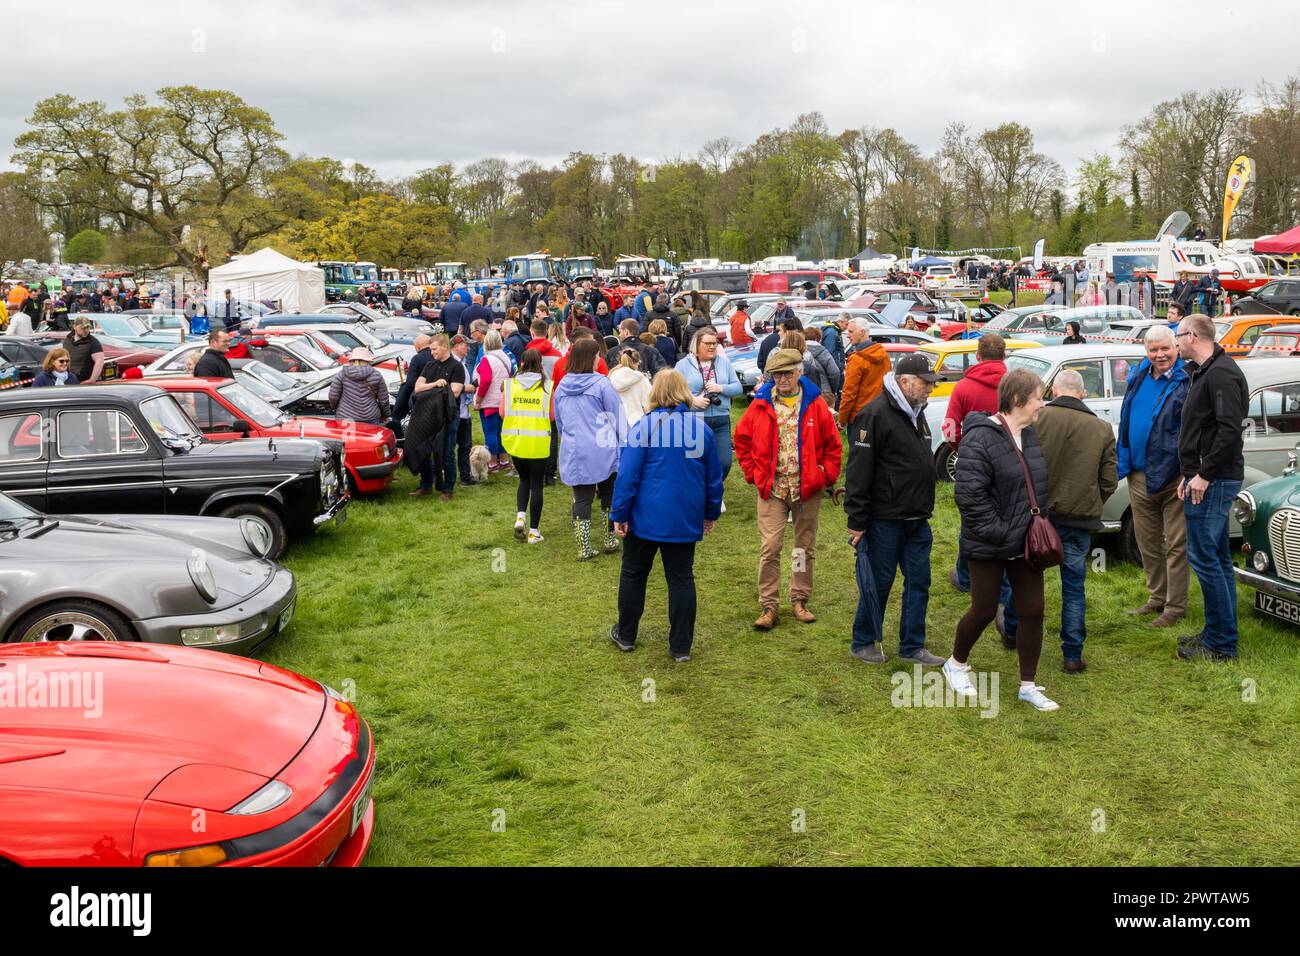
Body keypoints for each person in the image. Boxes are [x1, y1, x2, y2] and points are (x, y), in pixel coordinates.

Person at [944, 369, 1060, 712]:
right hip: (988, 542)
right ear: (1017, 400)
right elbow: (969, 496)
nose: (1043, 404)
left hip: (1026, 542)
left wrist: (1038, 523)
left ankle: (1028, 684)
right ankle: (957, 663)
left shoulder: (1031, 434)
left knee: (1033, 609)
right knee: (982, 608)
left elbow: (1036, 485)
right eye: (1039, 397)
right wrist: (1002, 532)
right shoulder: (981, 437)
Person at [609, 369, 724, 662]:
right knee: (681, 578)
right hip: (683, 517)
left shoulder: (644, 427)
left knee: (634, 574)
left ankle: (626, 633)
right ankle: (681, 646)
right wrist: (711, 512)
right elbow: (714, 479)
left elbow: (628, 477)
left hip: (645, 517)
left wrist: (619, 513)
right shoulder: (701, 430)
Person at [844, 353, 945, 665]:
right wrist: (857, 521)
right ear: (904, 382)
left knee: (919, 582)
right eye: (925, 383)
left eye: (931, 383)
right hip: (885, 519)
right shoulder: (874, 414)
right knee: (879, 582)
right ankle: (863, 641)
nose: (930, 388)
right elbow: (858, 472)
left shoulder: (917, 412)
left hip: (917, 517)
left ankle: (912, 646)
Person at [734, 348, 842, 629]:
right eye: (777, 374)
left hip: (807, 489)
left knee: (802, 548)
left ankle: (799, 599)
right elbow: (742, 438)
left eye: (787, 373)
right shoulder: (760, 404)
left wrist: (824, 475)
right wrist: (752, 472)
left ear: (799, 373)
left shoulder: (815, 404)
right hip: (773, 488)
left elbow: (833, 445)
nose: (782, 379)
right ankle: (769, 606)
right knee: (770, 548)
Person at [1032, 369, 1118, 672]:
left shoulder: (1036, 418)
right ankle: (1072, 654)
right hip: (1080, 518)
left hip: (1038, 517)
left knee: (1027, 580)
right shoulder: (1102, 428)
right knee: (1073, 587)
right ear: (1083, 394)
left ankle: (1015, 631)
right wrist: (1092, 501)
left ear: (1055, 391)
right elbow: (1109, 480)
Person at [1174, 313, 1248, 661]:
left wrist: (1203, 474)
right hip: (1203, 476)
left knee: (1204, 558)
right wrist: (1188, 473)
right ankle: (1217, 634)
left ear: (1193, 336)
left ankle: (1221, 645)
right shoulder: (1206, 371)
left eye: (1178, 336)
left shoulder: (1222, 374)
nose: (1176, 343)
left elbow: (1230, 431)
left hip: (1214, 480)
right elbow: (1202, 430)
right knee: (1216, 559)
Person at [1117, 326, 1190, 628]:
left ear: (1176, 346)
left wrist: (1188, 471)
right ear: (1146, 351)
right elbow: (1127, 418)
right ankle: (1155, 598)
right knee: (1147, 542)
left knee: (1175, 544)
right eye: (1153, 350)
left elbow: (1191, 430)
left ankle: (1175, 608)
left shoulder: (1187, 380)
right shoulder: (1139, 376)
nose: (1160, 355)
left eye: (1165, 349)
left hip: (1173, 477)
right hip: (1139, 474)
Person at [554, 338, 624, 560]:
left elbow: (560, 422)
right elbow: (617, 416)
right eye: (597, 356)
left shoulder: (562, 386)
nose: (599, 359)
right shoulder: (602, 384)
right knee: (608, 493)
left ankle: (583, 547)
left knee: (582, 497)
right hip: (602, 447)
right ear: (591, 358)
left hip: (574, 448)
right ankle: (609, 537)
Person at [676, 327, 741, 502]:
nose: (712, 347)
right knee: (695, 462)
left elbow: (738, 387)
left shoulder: (723, 363)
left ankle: (714, 490)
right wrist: (692, 400)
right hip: (695, 420)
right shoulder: (682, 365)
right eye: (708, 344)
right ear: (696, 344)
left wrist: (721, 388)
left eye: (715, 343)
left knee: (725, 462)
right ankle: (701, 494)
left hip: (720, 419)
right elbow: (673, 391)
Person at [500, 348, 552, 544]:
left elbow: (503, 412)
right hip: (539, 442)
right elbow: (553, 415)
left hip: (517, 441)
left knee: (524, 481)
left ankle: (520, 517)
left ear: (521, 363)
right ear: (540, 364)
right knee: (537, 485)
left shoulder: (510, 385)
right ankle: (533, 532)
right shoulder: (547, 385)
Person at [412, 334, 465, 500]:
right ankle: (426, 485)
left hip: (448, 415)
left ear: (444, 347)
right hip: (428, 415)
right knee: (424, 449)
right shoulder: (429, 365)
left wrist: (432, 390)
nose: (432, 352)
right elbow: (417, 388)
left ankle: (447, 489)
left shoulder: (457, 367)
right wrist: (435, 385)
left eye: (434, 349)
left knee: (447, 452)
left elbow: (455, 392)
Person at [474, 330, 515, 472]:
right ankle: (504, 460)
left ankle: (492, 463)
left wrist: (478, 399)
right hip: (503, 400)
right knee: (500, 432)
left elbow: (485, 381)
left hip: (490, 400)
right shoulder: (506, 357)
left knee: (490, 432)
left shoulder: (487, 359)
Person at [837, 318, 890, 426]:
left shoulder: (856, 359)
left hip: (860, 416)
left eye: (851, 332)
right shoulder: (883, 354)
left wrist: (842, 419)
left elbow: (849, 393)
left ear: (862, 332)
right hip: (881, 413)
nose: (847, 335)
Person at [330, 347, 391, 426]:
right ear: (368, 360)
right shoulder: (377, 375)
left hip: (346, 417)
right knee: (369, 438)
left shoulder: (341, 374)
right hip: (370, 417)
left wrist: (336, 408)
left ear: (352, 360)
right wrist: (386, 414)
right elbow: (384, 400)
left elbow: (333, 396)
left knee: (346, 438)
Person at [450, 335, 478, 486]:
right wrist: (468, 388)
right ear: (457, 345)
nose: (468, 348)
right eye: (466, 345)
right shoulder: (452, 363)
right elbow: (450, 387)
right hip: (454, 412)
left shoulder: (463, 362)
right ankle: (450, 477)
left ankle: (465, 477)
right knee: (450, 447)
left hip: (463, 411)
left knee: (465, 446)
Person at [794, 328, 841, 409]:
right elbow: (834, 372)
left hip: (804, 392)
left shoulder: (799, 351)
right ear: (817, 338)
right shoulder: (823, 352)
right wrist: (833, 389)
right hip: (824, 392)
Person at [610, 349, 651, 428]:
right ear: (637, 362)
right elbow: (649, 403)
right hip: (639, 423)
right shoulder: (641, 379)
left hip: (616, 423)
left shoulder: (611, 378)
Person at [63, 316, 107, 383]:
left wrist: (92, 380)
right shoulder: (67, 339)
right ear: (74, 326)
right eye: (83, 328)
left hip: (83, 382)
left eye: (88, 327)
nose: (86, 330)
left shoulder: (93, 342)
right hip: (67, 379)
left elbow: (99, 362)